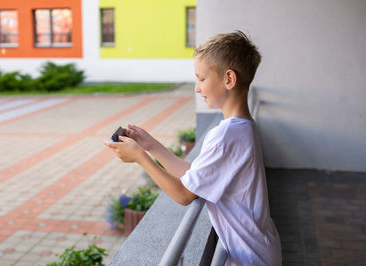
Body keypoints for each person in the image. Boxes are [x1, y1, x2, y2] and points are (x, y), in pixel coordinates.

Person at [104, 31, 282, 266]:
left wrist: (140, 157)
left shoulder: (226, 135)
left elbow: (185, 194)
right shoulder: (242, 128)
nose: (197, 88)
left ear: (229, 79)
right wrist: (152, 145)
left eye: (201, 78)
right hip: (261, 250)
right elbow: (197, 174)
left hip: (250, 258)